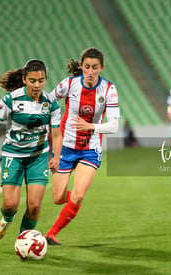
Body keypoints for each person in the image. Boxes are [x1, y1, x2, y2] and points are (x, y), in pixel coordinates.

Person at [0, 59, 62, 239]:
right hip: (13, 155)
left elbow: (57, 134)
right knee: (10, 205)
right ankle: (6, 218)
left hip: (38, 156)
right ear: (24, 79)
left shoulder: (51, 103)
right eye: (32, 81)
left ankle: (24, 238)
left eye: (41, 81)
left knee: (34, 206)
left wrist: (56, 155)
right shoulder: (11, 100)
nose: (37, 85)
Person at [45, 47, 120, 245]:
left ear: (102, 68)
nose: (90, 71)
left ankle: (51, 234)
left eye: (95, 67)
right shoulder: (69, 84)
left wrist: (91, 126)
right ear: (81, 66)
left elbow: (113, 126)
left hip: (90, 150)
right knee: (58, 198)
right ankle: (73, 201)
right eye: (87, 67)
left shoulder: (109, 89)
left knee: (78, 196)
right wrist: (51, 129)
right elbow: (48, 102)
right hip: (65, 148)